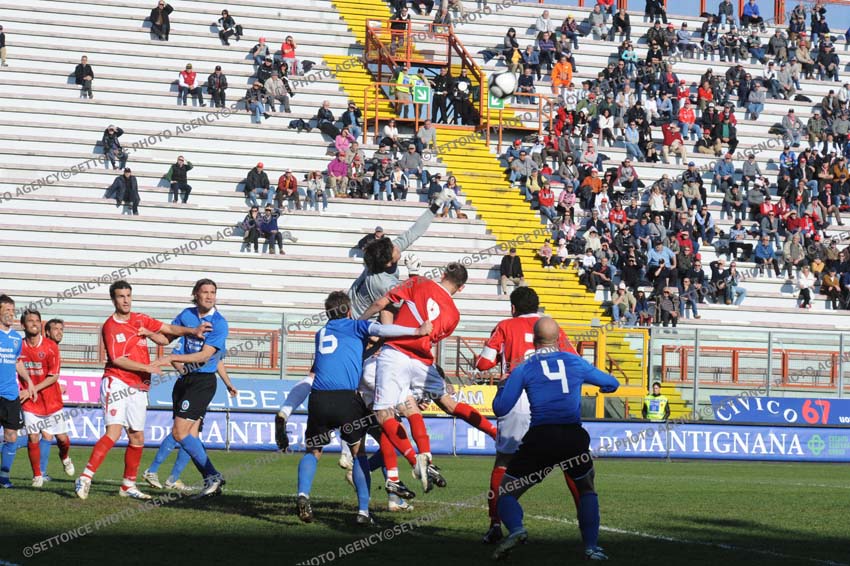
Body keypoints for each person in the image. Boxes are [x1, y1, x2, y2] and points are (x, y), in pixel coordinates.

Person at [296, 291, 432, 525]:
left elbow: (350, 355)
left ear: (327, 313)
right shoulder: (355, 326)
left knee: (313, 450)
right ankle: (363, 512)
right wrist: (416, 331)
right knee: (359, 453)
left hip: (318, 398)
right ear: (349, 311)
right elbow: (383, 329)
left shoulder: (321, 333)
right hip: (346, 398)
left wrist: (374, 346)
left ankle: (303, 495)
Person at [492, 316, 619, 561]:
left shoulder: (524, 368)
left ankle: (517, 529)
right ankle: (592, 548)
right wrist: (602, 388)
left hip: (541, 437)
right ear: (559, 338)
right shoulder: (575, 361)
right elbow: (611, 383)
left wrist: (501, 387)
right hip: (572, 436)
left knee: (507, 492)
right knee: (586, 489)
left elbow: (501, 408)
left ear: (534, 340)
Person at [361, 264, 494, 495]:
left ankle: (408, 466)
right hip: (422, 361)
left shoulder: (419, 282)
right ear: (461, 288)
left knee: (385, 415)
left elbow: (381, 303)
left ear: (442, 274)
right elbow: (432, 338)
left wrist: (359, 323)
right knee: (448, 404)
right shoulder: (454, 315)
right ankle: (494, 434)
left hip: (395, 354)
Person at [75, 281, 209, 500]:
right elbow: (117, 359)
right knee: (114, 432)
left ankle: (128, 485)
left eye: (128, 295)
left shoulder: (140, 319)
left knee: (137, 437)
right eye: (121, 296)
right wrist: (147, 367)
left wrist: (192, 331)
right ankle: (85, 477)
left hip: (139, 386)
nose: (126, 300)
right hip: (117, 382)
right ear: (113, 299)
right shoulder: (110, 326)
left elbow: (168, 329)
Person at [476, 288, 577, 544]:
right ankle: (587, 527)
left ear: (513, 308)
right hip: (549, 399)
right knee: (571, 461)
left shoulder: (505, 326)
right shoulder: (552, 326)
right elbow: (573, 359)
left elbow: (483, 364)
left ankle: (495, 523)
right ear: (538, 306)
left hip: (516, 395)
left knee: (504, 461)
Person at [140, 280, 230, 497]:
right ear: (195, 294)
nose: (209, 296)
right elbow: (165, 338)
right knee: (189, 434)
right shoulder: (187, 315)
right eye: (205, 292)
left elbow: (205, 356)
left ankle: (211, 475)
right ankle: (207, 479)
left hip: (203, 382)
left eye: (213, 292)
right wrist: (146, 332)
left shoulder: (219, 323)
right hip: (185, 381)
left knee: (179, 432)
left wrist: (172, 358)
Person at [144, 357, 236, 493]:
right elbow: (174, 356)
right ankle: (153, 470)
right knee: (181, 431)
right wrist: (184, 371)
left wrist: (228, 384)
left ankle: (174, 479)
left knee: (192, 435)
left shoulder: (213, 346)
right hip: (190, 386)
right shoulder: (192, 342)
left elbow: (217, 360)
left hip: (202, 386)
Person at [18, 309, 73, 487]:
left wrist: (31, 389)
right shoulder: (19, 346)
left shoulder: (50, 347)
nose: (34, 323)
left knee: (62, 439)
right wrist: (25, 391)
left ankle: (65, 456)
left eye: (37, 320)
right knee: (33, 437)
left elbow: (54, 376)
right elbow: (14, 366)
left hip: (51, 401)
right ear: (23, 325)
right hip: (30, 402)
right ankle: (37, 475)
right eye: (30, 320)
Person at [0, 296, 36, 488]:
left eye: (12, 310)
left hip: (10, 394)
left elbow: (17, 362)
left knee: (11, 435)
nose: (11, 314)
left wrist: (29, 382)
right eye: (6, 310)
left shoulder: (15, 338)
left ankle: (4, 476)